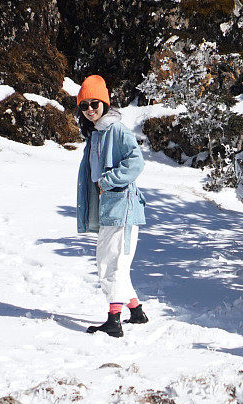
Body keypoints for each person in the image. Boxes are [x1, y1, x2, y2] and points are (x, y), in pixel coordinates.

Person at [75, 75, 148, 338]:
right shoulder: (96, 134)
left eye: (94, 103)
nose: (90, 109)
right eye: (84, 106)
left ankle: (114, 319)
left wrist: (109, 181)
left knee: (112, 264)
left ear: (105, 103)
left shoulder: (117, 130)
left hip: (122, 209)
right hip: (109, 208)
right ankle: (136, 311)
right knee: (111, 262)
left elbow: (136, 162)